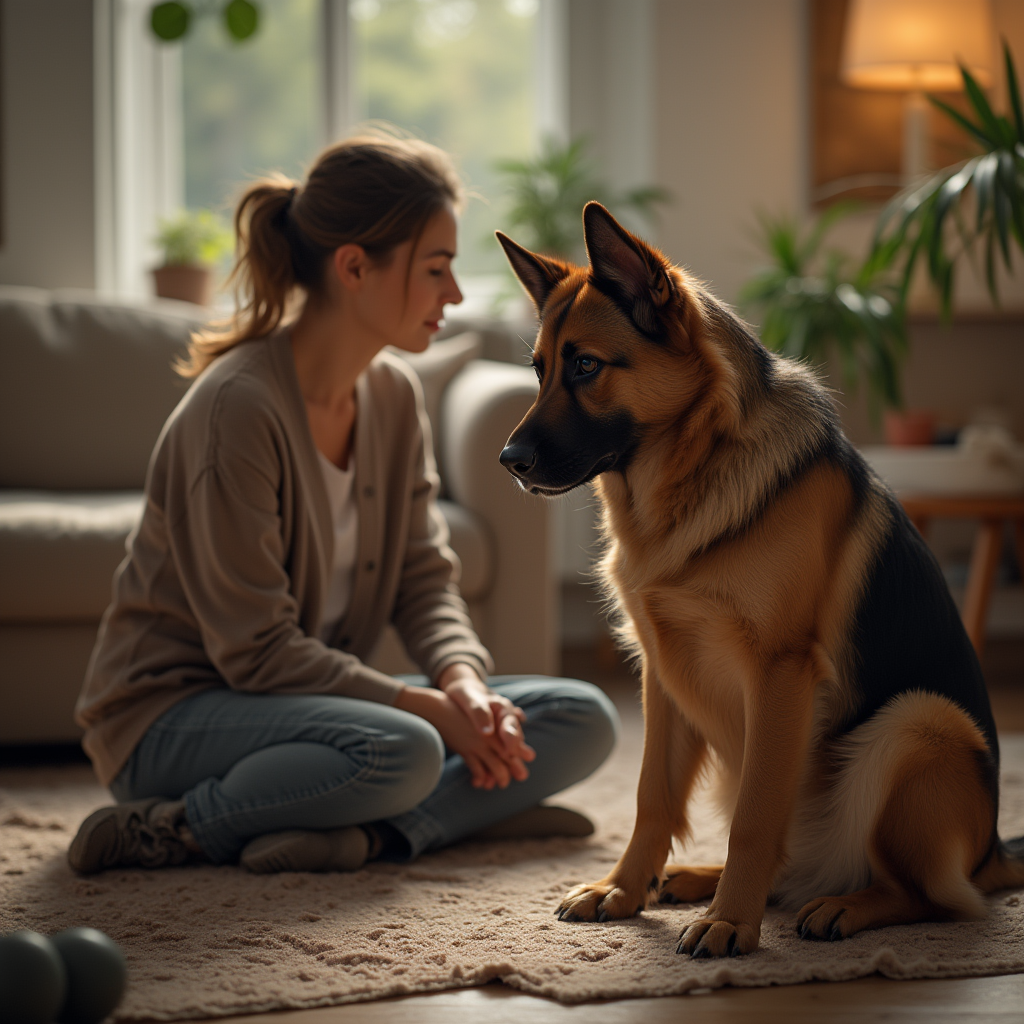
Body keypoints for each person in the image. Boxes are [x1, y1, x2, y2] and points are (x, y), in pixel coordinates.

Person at [68, 134, 618, 875]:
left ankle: (372, 833)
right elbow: (256, 653)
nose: (453, 296)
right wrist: (432, 713)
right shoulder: (236, 409)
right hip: (172, 719)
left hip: (302, 711)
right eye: (436, 269)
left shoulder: (392, 396)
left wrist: (463, 684)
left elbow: (423, 578)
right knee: (407, 746)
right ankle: (177, 827)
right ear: (355, 267)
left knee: (581, 717)